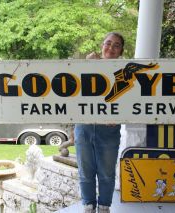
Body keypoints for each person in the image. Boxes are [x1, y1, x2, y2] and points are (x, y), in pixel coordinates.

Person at [74, 32, 125, 213]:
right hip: (84, 127)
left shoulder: (123, 73)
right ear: (102, 46)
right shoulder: (89, 65)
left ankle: (104, 207)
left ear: (121, 51)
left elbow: (130, 101)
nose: (110, 48)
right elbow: (73, 92)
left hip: (109, 130)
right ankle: (88, 206)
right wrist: (87, 67)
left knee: (106, 173)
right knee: (85, 171)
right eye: (108, 43)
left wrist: (119, 116)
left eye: (116, 45)